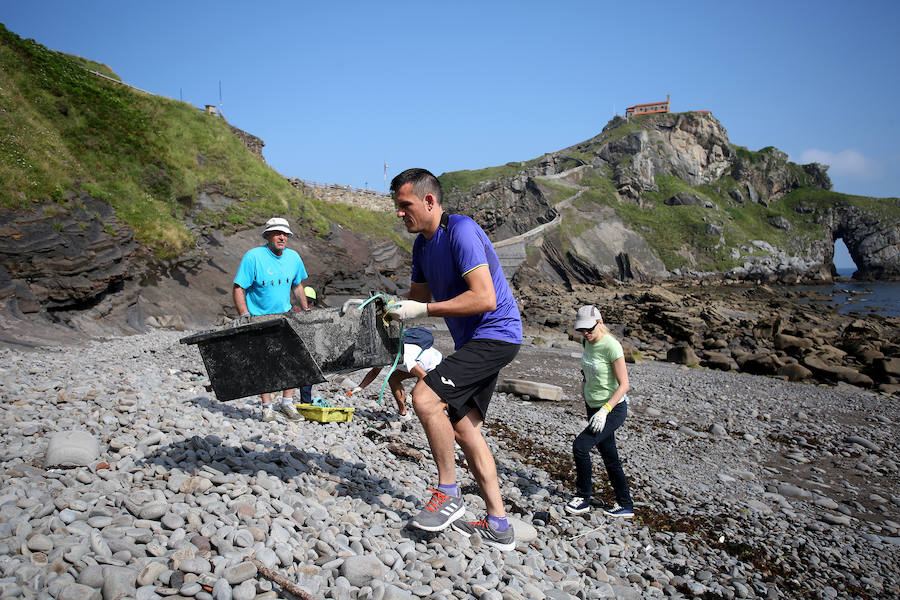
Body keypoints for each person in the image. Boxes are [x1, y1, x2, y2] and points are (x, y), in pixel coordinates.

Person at [385, 168, 522, 551]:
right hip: (477, 343)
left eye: (405, 205)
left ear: (429, 201)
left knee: (425, 398)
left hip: (496, 334)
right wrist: (394, 315)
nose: (399, 213)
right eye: (397, 206)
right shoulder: (422, 247)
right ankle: (499, 524)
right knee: (463, 428)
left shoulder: (460, 231)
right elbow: (412, 300)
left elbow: (485, 298)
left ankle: (449, 494)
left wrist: (422, 310)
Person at [233, 217, 311, 423]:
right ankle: (267, 408)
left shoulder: (294, 257)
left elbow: (297, 285)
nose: (282, 237)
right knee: (264, 363)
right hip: (259, 317)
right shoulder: (253, 257)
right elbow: (239, 287)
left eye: (285, 234)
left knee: (292, 360)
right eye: (277, 233)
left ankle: (287, 404)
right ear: (267, 235)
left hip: (286, 316)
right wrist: (244, 316)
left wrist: (306, 310)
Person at [565, 305, 634, 519]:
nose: (585, 333)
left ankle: (583, 497)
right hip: (592, 406)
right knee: (609, 455)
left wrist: (604, 410)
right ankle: (625, 505)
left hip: (612, 408)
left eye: (589, 329)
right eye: (581, 330)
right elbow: (589, 369)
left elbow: (624, 385)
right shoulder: (587, 342)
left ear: (600, 323)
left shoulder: (612, 346)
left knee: (581, 446)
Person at [346, 327, 443, 419]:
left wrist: (412, 394)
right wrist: (360, 387)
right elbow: (374, 372)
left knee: (424, 396)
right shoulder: (382, 355)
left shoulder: (404, 357)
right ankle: (403, 413)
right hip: (418, 364)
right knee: (393, 379)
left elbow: (423, 376)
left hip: (436, 365)